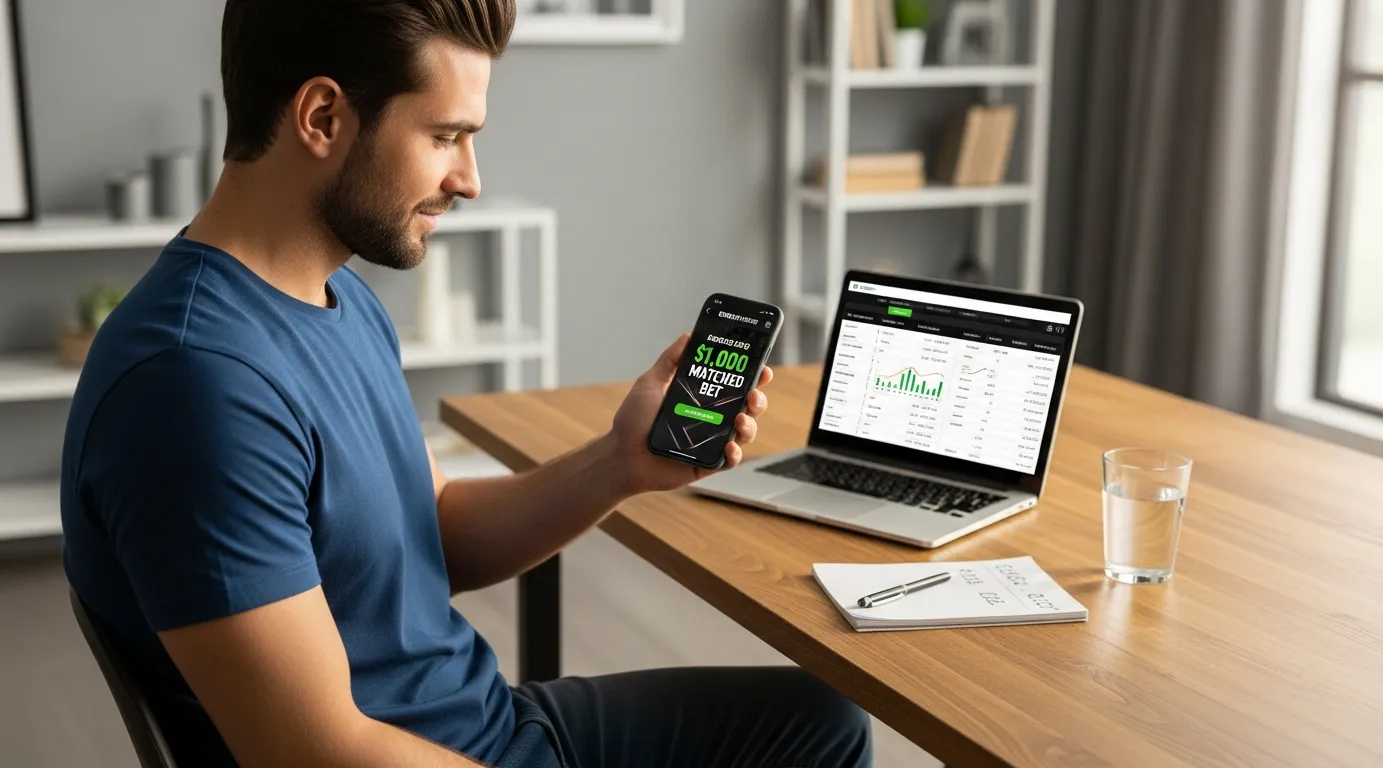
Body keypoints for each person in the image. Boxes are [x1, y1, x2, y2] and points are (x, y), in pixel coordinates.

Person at [59, 1, 873, 767]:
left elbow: (435, 529)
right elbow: (315, 754)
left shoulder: (336, 301)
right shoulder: (196, 385)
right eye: (446, 135)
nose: (469, 178)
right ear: (322, 119)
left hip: (484, 724)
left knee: (822, 724)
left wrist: (619, 462)